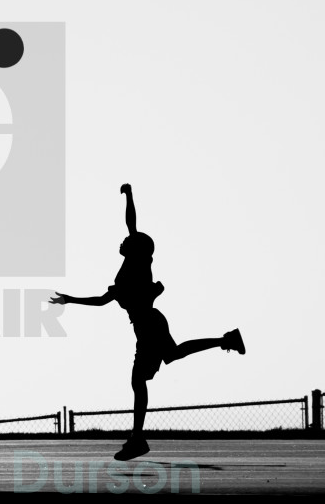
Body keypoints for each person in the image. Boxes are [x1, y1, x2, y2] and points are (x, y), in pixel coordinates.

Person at [51, 183, 245, 461]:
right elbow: (130, 229)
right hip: (150, 322)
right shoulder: (133, 265)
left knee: (139, 378)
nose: (122, 242)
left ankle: (138, 438)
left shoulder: (138, 264)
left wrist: (72, 300)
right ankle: (226, 340)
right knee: (172, 356)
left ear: (135, 249)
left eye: (127, 242)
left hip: (148, 324)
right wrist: (71, 300)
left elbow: (130, 235)